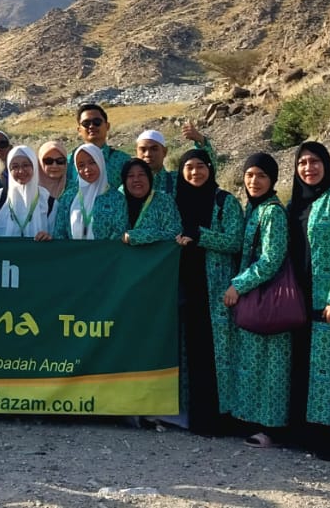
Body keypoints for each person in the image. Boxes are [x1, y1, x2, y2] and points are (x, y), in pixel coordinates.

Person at [280, 142, 330, 461]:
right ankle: (304, 433)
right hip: (299, 302)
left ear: (327, 165)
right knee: (305, 368)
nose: (308, 168)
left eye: (315, 161)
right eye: (302, 163)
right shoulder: (294, 205)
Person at [171, 147, 243, 436]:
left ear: (210, 169)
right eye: (189, 167)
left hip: (217, 290)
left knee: (218, 354)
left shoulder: (224, 201)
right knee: (192, 352)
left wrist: (201, 236)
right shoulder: (174, 203)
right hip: (185, 287)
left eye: (200, 166)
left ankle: (223, 418)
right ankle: (194, 417)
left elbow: (235, 241)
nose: (195, 172)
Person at [224, 152, 291, 447]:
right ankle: (252, 422)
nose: (254, 181)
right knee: (254, 362)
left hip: (268, 298)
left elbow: (271, 258)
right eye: (249, 175)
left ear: (272, 180)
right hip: (254, 297)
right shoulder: (254, 209)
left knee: (271, 365)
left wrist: (238, 285)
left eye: (261, 176)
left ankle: (271, 428)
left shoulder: (273, 212)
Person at [0, 145, 52, 241]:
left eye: (26, 165)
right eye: (15, 167)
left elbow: (58, 236)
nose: (20, 171)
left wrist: (48, 237)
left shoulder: (48, 200)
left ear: (34, 166)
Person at [53, 143, 125, 241]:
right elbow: (59, 232)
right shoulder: (68, 197)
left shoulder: (117, 199)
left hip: (106, 250)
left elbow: (119, 232)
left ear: (100, 162)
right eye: (81, 165)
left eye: (92, 162)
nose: (87, 169)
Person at [137, 124, 215, 195]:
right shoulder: (132, 184)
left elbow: (208, 171)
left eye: (154, 149)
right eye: (143, 150)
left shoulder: (178, 180)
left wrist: (201, 141)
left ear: (164, 152)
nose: (148, 154)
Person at [118, 157, 180, 245]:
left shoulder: (163, 201)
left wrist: (137, 236)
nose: (136, 179)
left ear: (149, 178)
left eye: (141, 174)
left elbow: (175, 234)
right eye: (130, 176)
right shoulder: (117, 203)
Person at [70, 105, 130, 190]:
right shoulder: (68, 161)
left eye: (97, 122)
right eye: (86, 123)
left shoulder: (123, 160)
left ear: (107, 126)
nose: (91, 126)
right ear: (79, 130)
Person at [35, 140, 73, 230]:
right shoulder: (31, 191)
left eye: (60, 161)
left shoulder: (73, 190)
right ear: (39, 163)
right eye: (48, 161)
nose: (54, 165)